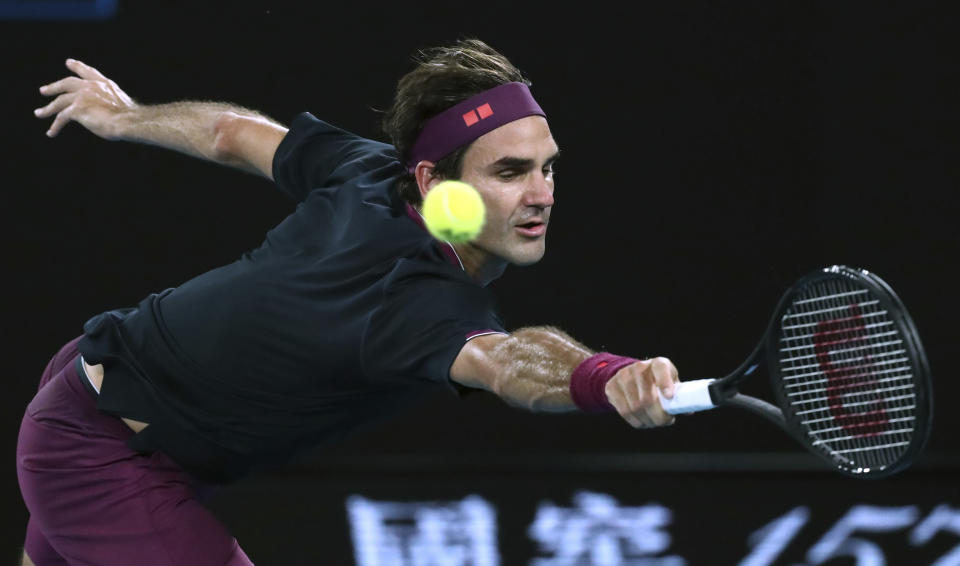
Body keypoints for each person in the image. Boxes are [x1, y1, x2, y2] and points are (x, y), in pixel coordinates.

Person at [19, 38, 680, 566]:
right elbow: (508, 364)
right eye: (510, 172)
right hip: (103, 449)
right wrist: (604, 375)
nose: (542, 194)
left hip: (94, 385)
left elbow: (230, 132)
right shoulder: (418, 305)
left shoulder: (368, 172)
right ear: (433, 181)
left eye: (548, 166)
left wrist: (125, 116)